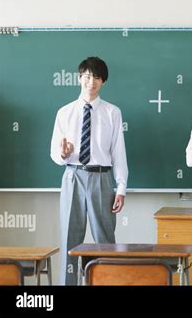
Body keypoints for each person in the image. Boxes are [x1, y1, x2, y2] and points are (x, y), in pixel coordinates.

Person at [50, 56, 128, 285]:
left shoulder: (113, 112)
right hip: (72, 175)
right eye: (86, 76)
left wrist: (121, 187)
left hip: (102, 178)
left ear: (103, 81)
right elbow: (55, 153)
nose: (91, 82)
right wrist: (63, 154)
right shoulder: (64, 112)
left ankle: (108, 282)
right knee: (69, 240)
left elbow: (118, 153)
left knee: (105, 239)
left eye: (96, 77)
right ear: (79, 78)